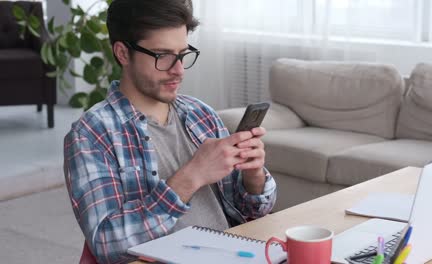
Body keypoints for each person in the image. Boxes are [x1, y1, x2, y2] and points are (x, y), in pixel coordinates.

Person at [63, 0, 277, 263]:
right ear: (122, 53)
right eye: (162, 56)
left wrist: (253, 176)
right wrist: (192, 175)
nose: (178, 70)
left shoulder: (202, 114)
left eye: (182, 54)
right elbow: (108, 244)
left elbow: (252, 210)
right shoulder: (91, 135)